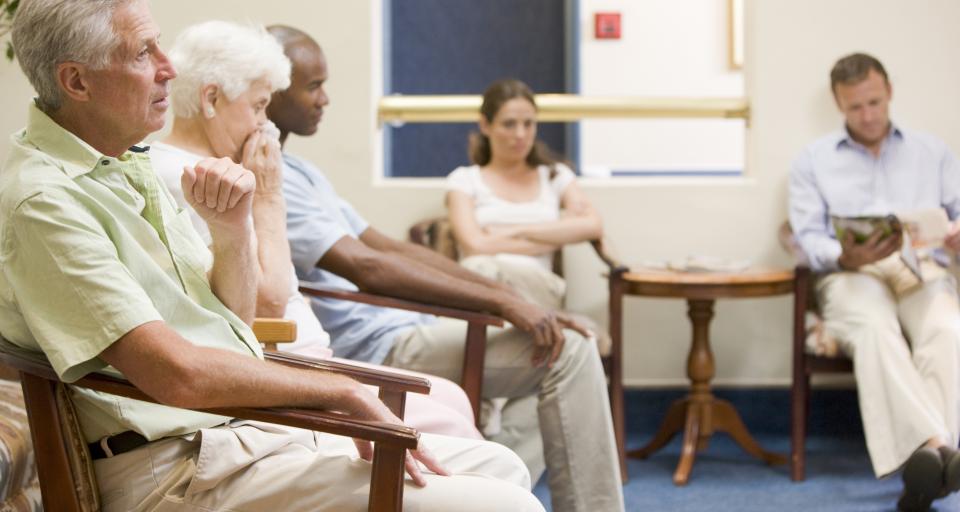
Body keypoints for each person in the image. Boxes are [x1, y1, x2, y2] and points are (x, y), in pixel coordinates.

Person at [0, 1, 543, 510]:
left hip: (237, 433)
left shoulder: (125, 162)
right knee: (505, 503)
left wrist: (232, 229)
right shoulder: (45, 200)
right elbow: (177, 375)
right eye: (144, 53)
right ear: (77, 81)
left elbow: (234, 324)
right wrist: (342, 392)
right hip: (175, 468)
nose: (169, 68)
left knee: (502, 466)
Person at [267, 25, 624, 512]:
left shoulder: (303, 171)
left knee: (556, 357)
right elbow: (369, 267)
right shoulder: (271, 177)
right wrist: (505, 300)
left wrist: (517, 302)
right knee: (569, 354)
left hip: (411, 326)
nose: (325, 98)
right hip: (376, 346)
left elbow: (388, 247)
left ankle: (485, 489)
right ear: (271, 89)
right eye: (314, 86)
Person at [151, 19, 481, 440]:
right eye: (258, 107)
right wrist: (268, 195)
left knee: (451, 398)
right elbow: (269, 304)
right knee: (451, 424)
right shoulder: (194, 178)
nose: (264, 126)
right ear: (211, 98)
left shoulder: (218, 167)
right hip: (276, 371)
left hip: (303, 361)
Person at [788, 52, 960, 512]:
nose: (867, 115)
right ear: (838, 104)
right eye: (855, 107)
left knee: (948, 330)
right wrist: (842, 254)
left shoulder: (932, 152)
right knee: (874, 328)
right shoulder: (812, 161)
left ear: (889, 93)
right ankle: (938, 450)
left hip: (922, 270)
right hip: (853, 274)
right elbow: (807, 238)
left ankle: (928, 466)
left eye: (874, 103)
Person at [445, 78, 603, 312]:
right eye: (509, 124)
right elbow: (475, 246)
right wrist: (553, 236)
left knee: (481, 270)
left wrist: (514, 231)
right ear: (485, 125)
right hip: (480, 284)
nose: (520, 134)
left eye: (528, 124)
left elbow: (592, 225)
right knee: (479, 269)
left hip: (538, 288)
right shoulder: (464, 180)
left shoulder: (555, 176)